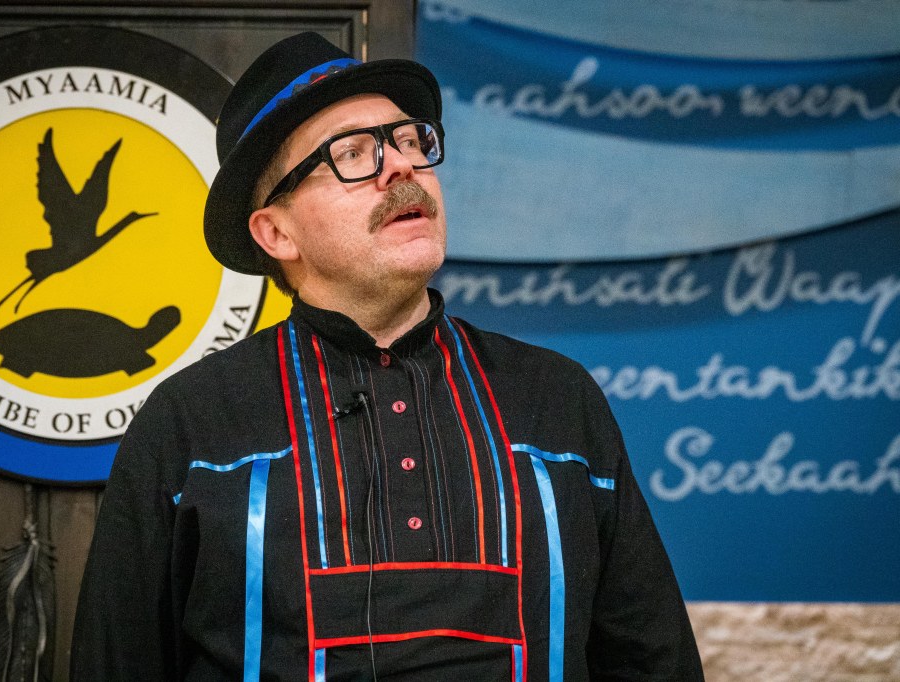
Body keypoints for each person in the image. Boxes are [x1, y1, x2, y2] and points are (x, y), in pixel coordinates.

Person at [71, 31, 704, 681]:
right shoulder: (192, 422)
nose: (401, 166)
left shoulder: (558, 400)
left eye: (408, 141)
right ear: (276, 231)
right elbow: (115, 661)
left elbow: (656, 661)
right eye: (352, 154)